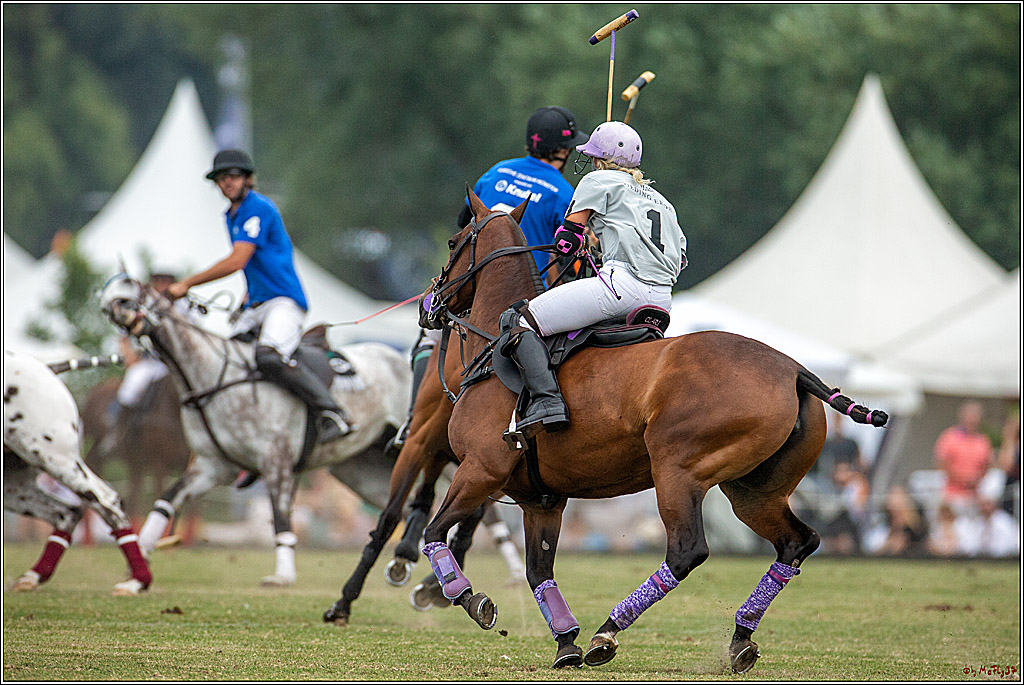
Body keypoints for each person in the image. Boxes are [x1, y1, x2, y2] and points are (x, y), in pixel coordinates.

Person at [388, 106, 589, 456]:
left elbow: (464, 227)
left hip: (469, 294)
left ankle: (410, 423)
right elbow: (569, 259)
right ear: (560, 150)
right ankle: (545, 419)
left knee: (427, 339)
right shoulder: (562, 192)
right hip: (523, 302)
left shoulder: (495, 172)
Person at [499, 120, 686, 438]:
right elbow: (680, 259)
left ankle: (546, 402)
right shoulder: (662, 201)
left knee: (519, 320)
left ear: (601, 160)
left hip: (620, 287)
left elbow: (567, 241)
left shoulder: (597, 180)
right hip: (663, 298)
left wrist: (580, 240)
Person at [166, 149, 353, 443]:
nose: (226, 182)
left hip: (284, 301)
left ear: (248, 179)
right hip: (257, 304)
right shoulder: (232, 216)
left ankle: (332, 413)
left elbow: (238, 259)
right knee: (229, 359)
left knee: (268, 356)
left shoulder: (258, 208)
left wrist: (187, 283)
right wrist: (246, 296)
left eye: (233, 176)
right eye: (221, 178)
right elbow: (254, 265)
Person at [933, 401, 994, 515]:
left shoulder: (982, 441)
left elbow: (988, 464)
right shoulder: (950, 437)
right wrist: (963, 479)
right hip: (953, 496)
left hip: (974, 496)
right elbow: (942, 463)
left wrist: (976, 479)